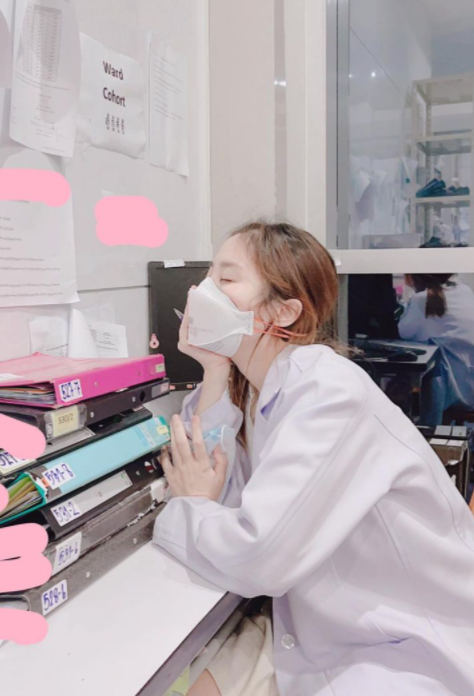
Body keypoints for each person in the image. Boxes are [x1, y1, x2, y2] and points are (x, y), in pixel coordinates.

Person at [152, 220, 474, 696]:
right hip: (311, 623)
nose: (202, 292)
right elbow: (211, 480)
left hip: (401, 645)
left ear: (283, 311)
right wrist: (214, 369)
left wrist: (190, 507)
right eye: (207, 276)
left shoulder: (328, 390)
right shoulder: (254, 387)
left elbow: (255, 552)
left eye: (226, 278)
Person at [399, 274, 474, 425]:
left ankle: (417, 429)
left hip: (448, 390)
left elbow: (405, 333)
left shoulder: (422, 299)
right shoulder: (465, 291)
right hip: (469, 386)